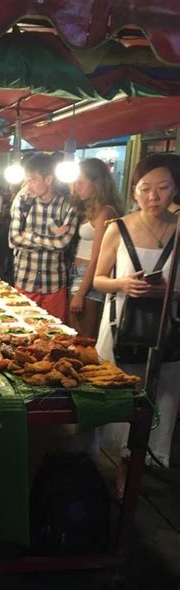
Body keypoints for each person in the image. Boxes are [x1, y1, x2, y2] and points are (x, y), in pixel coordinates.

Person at [94, 153, 180, 470]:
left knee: (162, 397)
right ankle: (111, 467)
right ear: (134, 191)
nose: (153, 196)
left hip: (165, 333)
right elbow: (99, 280)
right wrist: (122, 284)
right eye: (144, 188)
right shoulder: (117, 228)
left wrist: (170, 291)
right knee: (118, 394)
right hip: (120, 329)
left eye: (163, 187)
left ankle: (146, 466)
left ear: (175, 189)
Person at [9, 153, 77, 321]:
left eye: (32, 180)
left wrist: (29, 235)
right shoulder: (23, 201)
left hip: (53, 283)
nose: (28, 184)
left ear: (49, 180)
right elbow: (13, 240)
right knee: (20, 330)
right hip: (25, 279)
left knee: (55, 335)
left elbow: (62, 243)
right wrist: (50, 242)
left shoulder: (67, 205)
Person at [69, 158, 122, 338]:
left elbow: (97, 257)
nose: (77, 187)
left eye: (81, 182)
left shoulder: (106, 212)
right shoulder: (88, 209)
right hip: (77, 272)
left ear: (97, 183)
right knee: (73, 332)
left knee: (84, 337)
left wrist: (81, 292)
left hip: (88, 277)